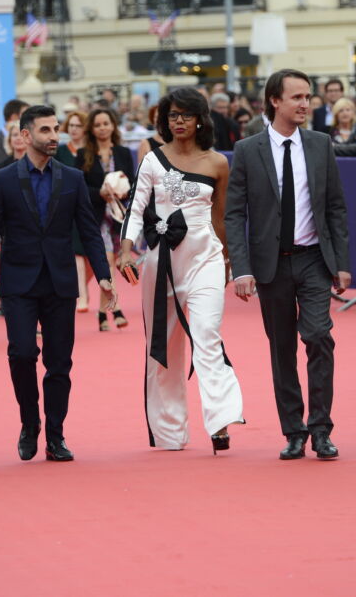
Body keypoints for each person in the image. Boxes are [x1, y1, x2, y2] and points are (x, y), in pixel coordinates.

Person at [0, 105, 116, 463]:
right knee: (22, 354)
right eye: (45, 130)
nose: (54, 136)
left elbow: (89, 230)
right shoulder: (4, 179)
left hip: (60, 282)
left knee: (59, 363)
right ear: (25, 136)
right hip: (18, 283)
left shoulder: (71, 178)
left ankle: (56, 435)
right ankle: (29, 424)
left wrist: (103, 275)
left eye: (56, 129)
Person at [225, 69, 351, 460]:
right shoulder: (248, 150)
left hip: (314, 259)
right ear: (274, 101)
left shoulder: (320, 144)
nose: (305, 104)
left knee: (318, 337)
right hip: (270, 265)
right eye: (296, 97)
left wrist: (342, 263)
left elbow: (335, 207)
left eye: (308, 97)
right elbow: (234, 214)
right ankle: (293, 430)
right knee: (282, 348)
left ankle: (321, 429)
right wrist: (241, 268)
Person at [119, 87, 245, 453]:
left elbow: (222, 218)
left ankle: (221, 419)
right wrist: (127, 250)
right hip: (161, 264)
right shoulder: (153, 160)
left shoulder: (217, 162)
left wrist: (227, 261)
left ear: (200, 119)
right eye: (172, 115)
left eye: (186, 115)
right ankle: (170, 431)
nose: (178, 121)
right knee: (164, 347)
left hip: (206, 258)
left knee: (207, 333)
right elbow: (135, 206)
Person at [80, 107, 133, 331]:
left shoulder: (122, 152)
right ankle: (116, 308)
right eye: (98, 124)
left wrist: (122, 192)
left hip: (119, 215)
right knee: (108, 260)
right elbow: (79, 186)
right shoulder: (83, 154)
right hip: (96, 215)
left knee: (115, 261)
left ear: (113, 125)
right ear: (92, 129)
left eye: (106, 123)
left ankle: (102, 313)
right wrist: (99, 193)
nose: (102, 128)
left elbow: (132, 182)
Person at [56, 111, 95, 313]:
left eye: (78, 125)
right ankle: (82, 295)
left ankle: (82, 285)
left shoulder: (91, 151)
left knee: (94, 255)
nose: (73, 129)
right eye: (70, 125)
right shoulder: (60, 151)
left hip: (93, 207)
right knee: (77, 252)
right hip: (67, 208)